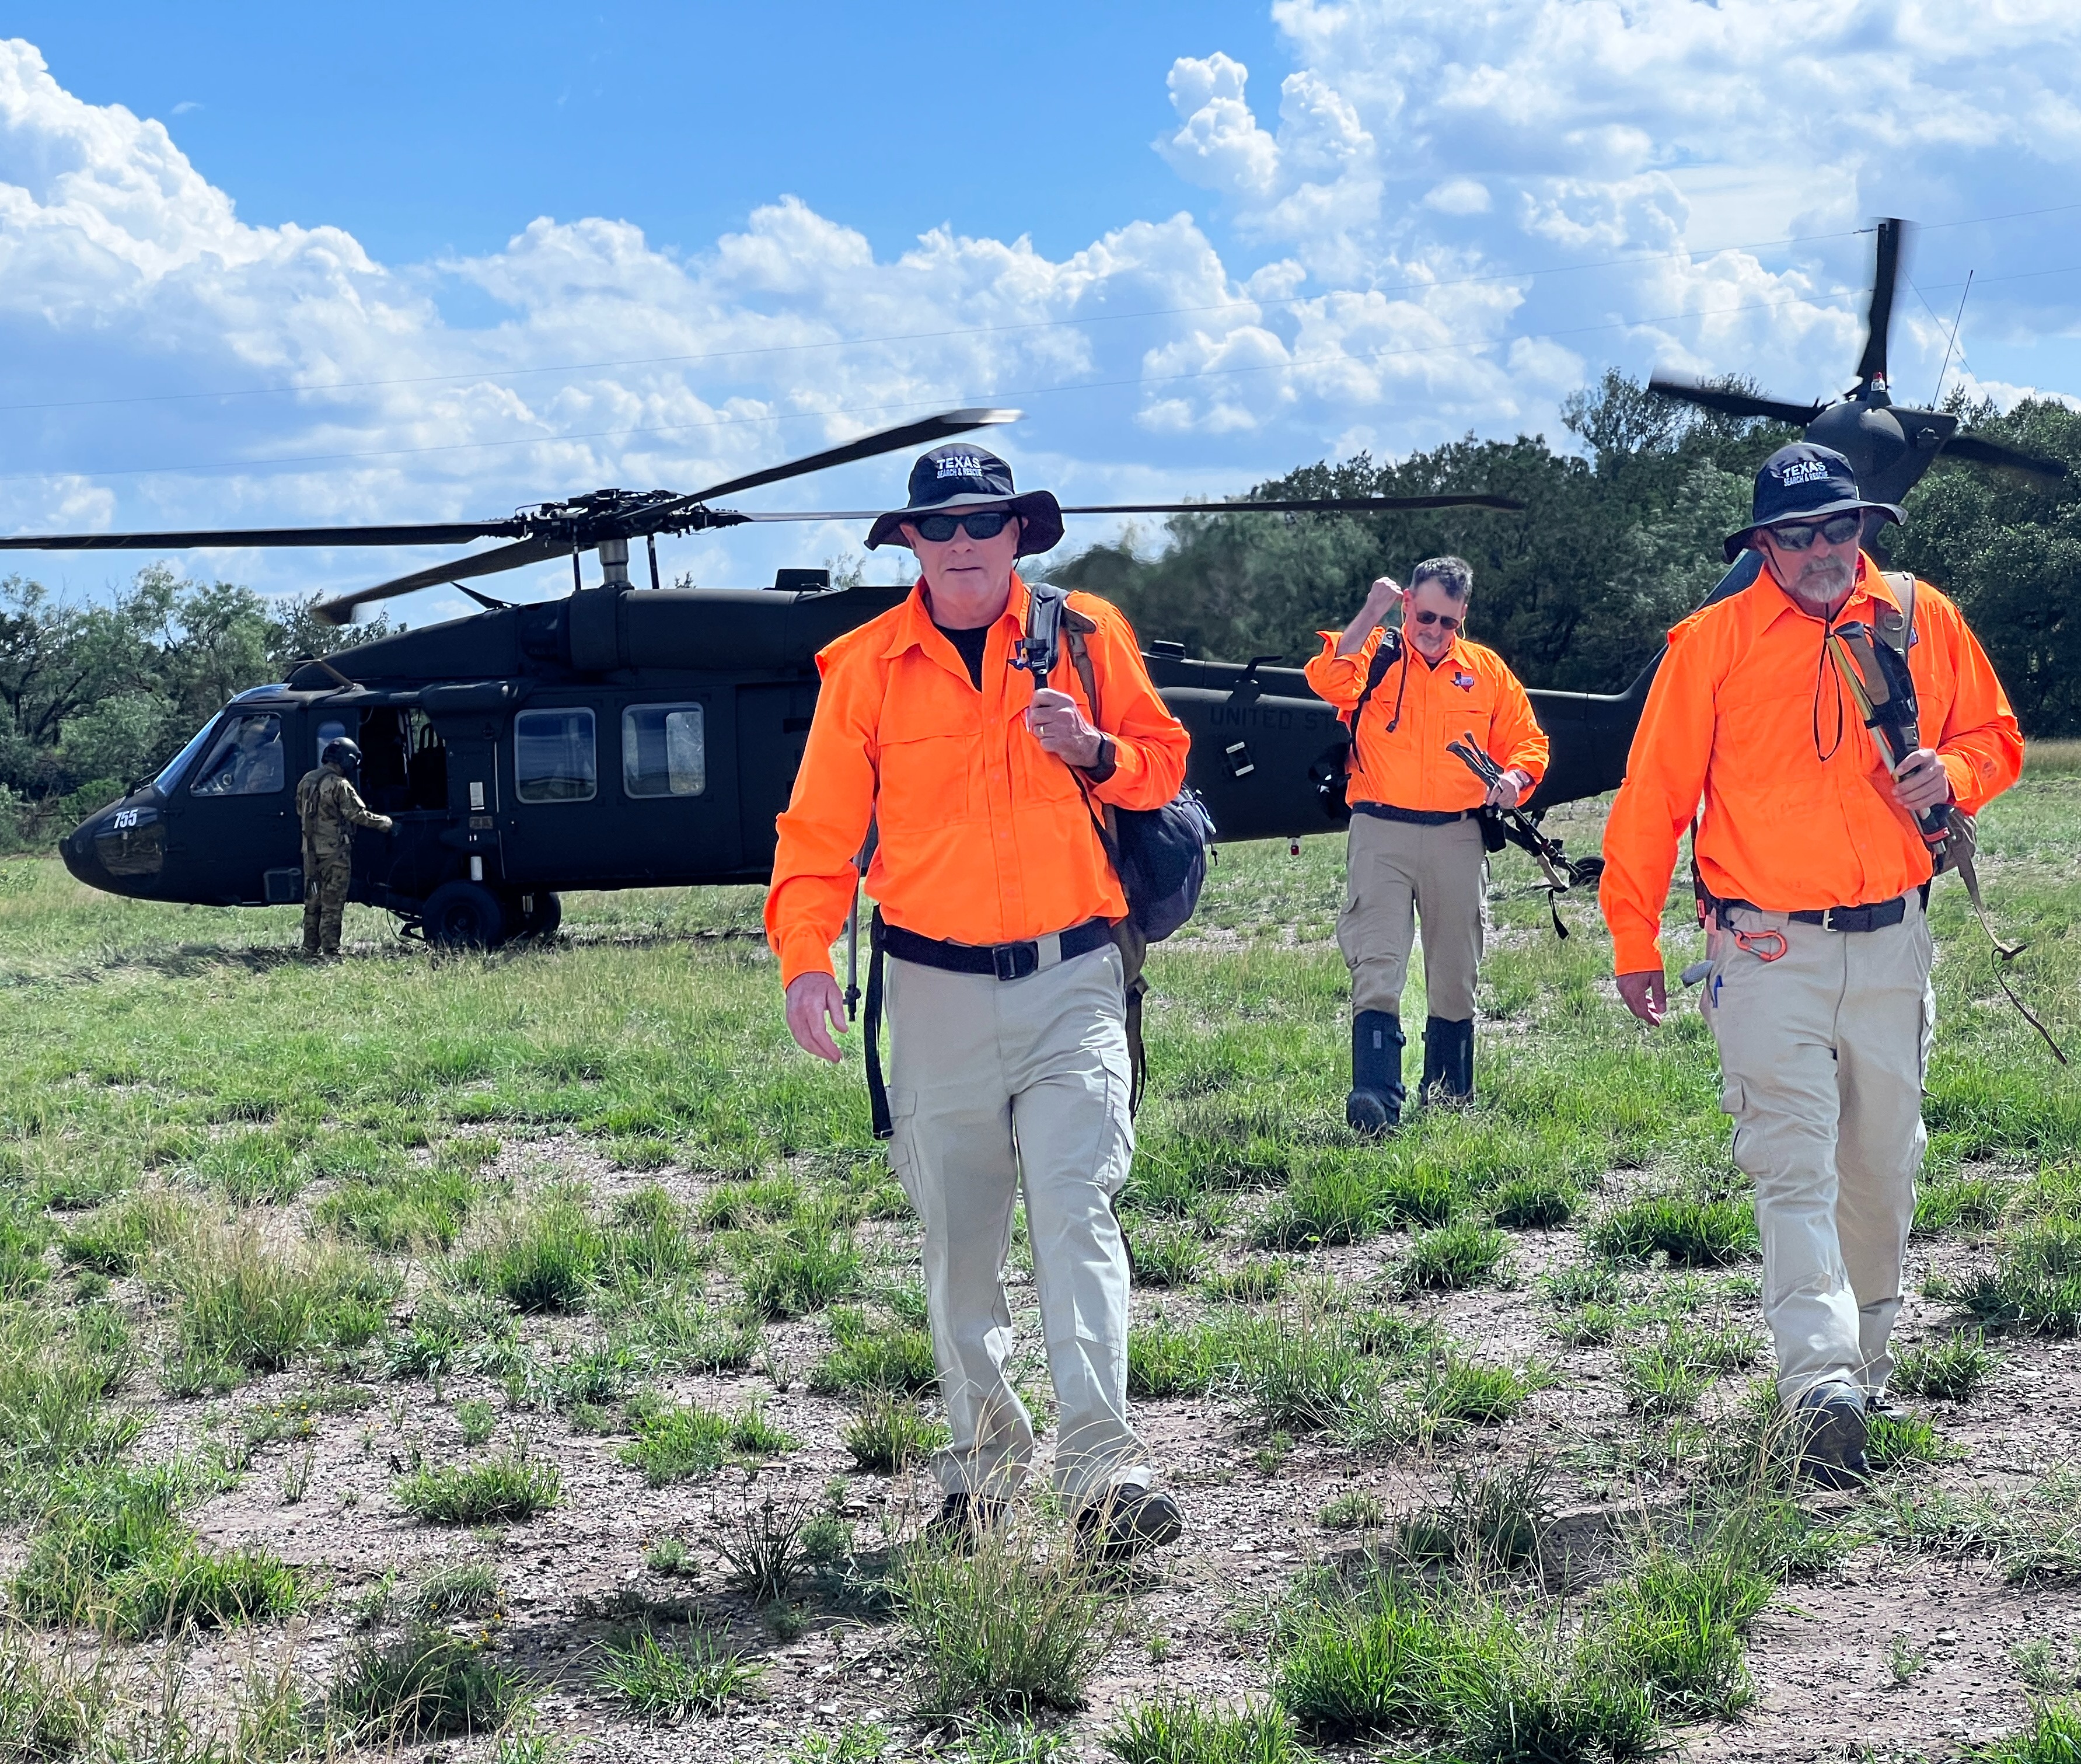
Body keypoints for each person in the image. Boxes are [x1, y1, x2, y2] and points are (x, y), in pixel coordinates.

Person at [766, 443, 1192, 1561]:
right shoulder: (861, 666)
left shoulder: (1089, 634)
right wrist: (805, 953)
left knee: (1075, 1210)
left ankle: (1105, 1470)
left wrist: (1095, 749)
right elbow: (816, 832)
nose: (962, 543)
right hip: (936, 989)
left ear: (1018, 535)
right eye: (940, 526)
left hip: (1075, 979)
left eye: (983, 524)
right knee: (961, 1244)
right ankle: (982, 1474)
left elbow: (1164, 762)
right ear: (909, 541)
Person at [1600, 442, 2022, 1487]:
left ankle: (1864, 1370)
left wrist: (1954, 770)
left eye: (1840, 526)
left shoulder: (1923, 617)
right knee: (1791, 1166)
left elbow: (1999, 736)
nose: (1825, 548)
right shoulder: (1708, 642)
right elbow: (1653, 794)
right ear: (1762, 546)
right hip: (1763, 947)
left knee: (1880, 1169)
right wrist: (1631, 936)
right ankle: (1818, 1381)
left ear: (1864, 527)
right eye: (1798, 534)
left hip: (1893, 940)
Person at [1305, 557, 1549, 1131]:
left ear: (1462, 614)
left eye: (1445, 619)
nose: (1432, 629)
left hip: (1456, 834)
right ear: (1407, 603)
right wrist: (1370, 611)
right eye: (1421, 614)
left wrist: (1514, 780)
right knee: (1377, 960)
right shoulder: (1376, 654)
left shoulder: (1486, 670)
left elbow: (1527, 740)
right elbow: (1325, 678)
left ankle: (1447, 1099)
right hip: (1379, 831)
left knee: (1453, 969)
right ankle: (1374, 1097)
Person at [296, 737, 392, 960]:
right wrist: (384, 823)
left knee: (313, 901)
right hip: (335, 855)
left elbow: (301, 811)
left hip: (310, 853)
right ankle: (330, 950)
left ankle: (309, 947)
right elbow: (356, 815)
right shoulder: (339, 785)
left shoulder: (306, 781)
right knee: (332, 902)